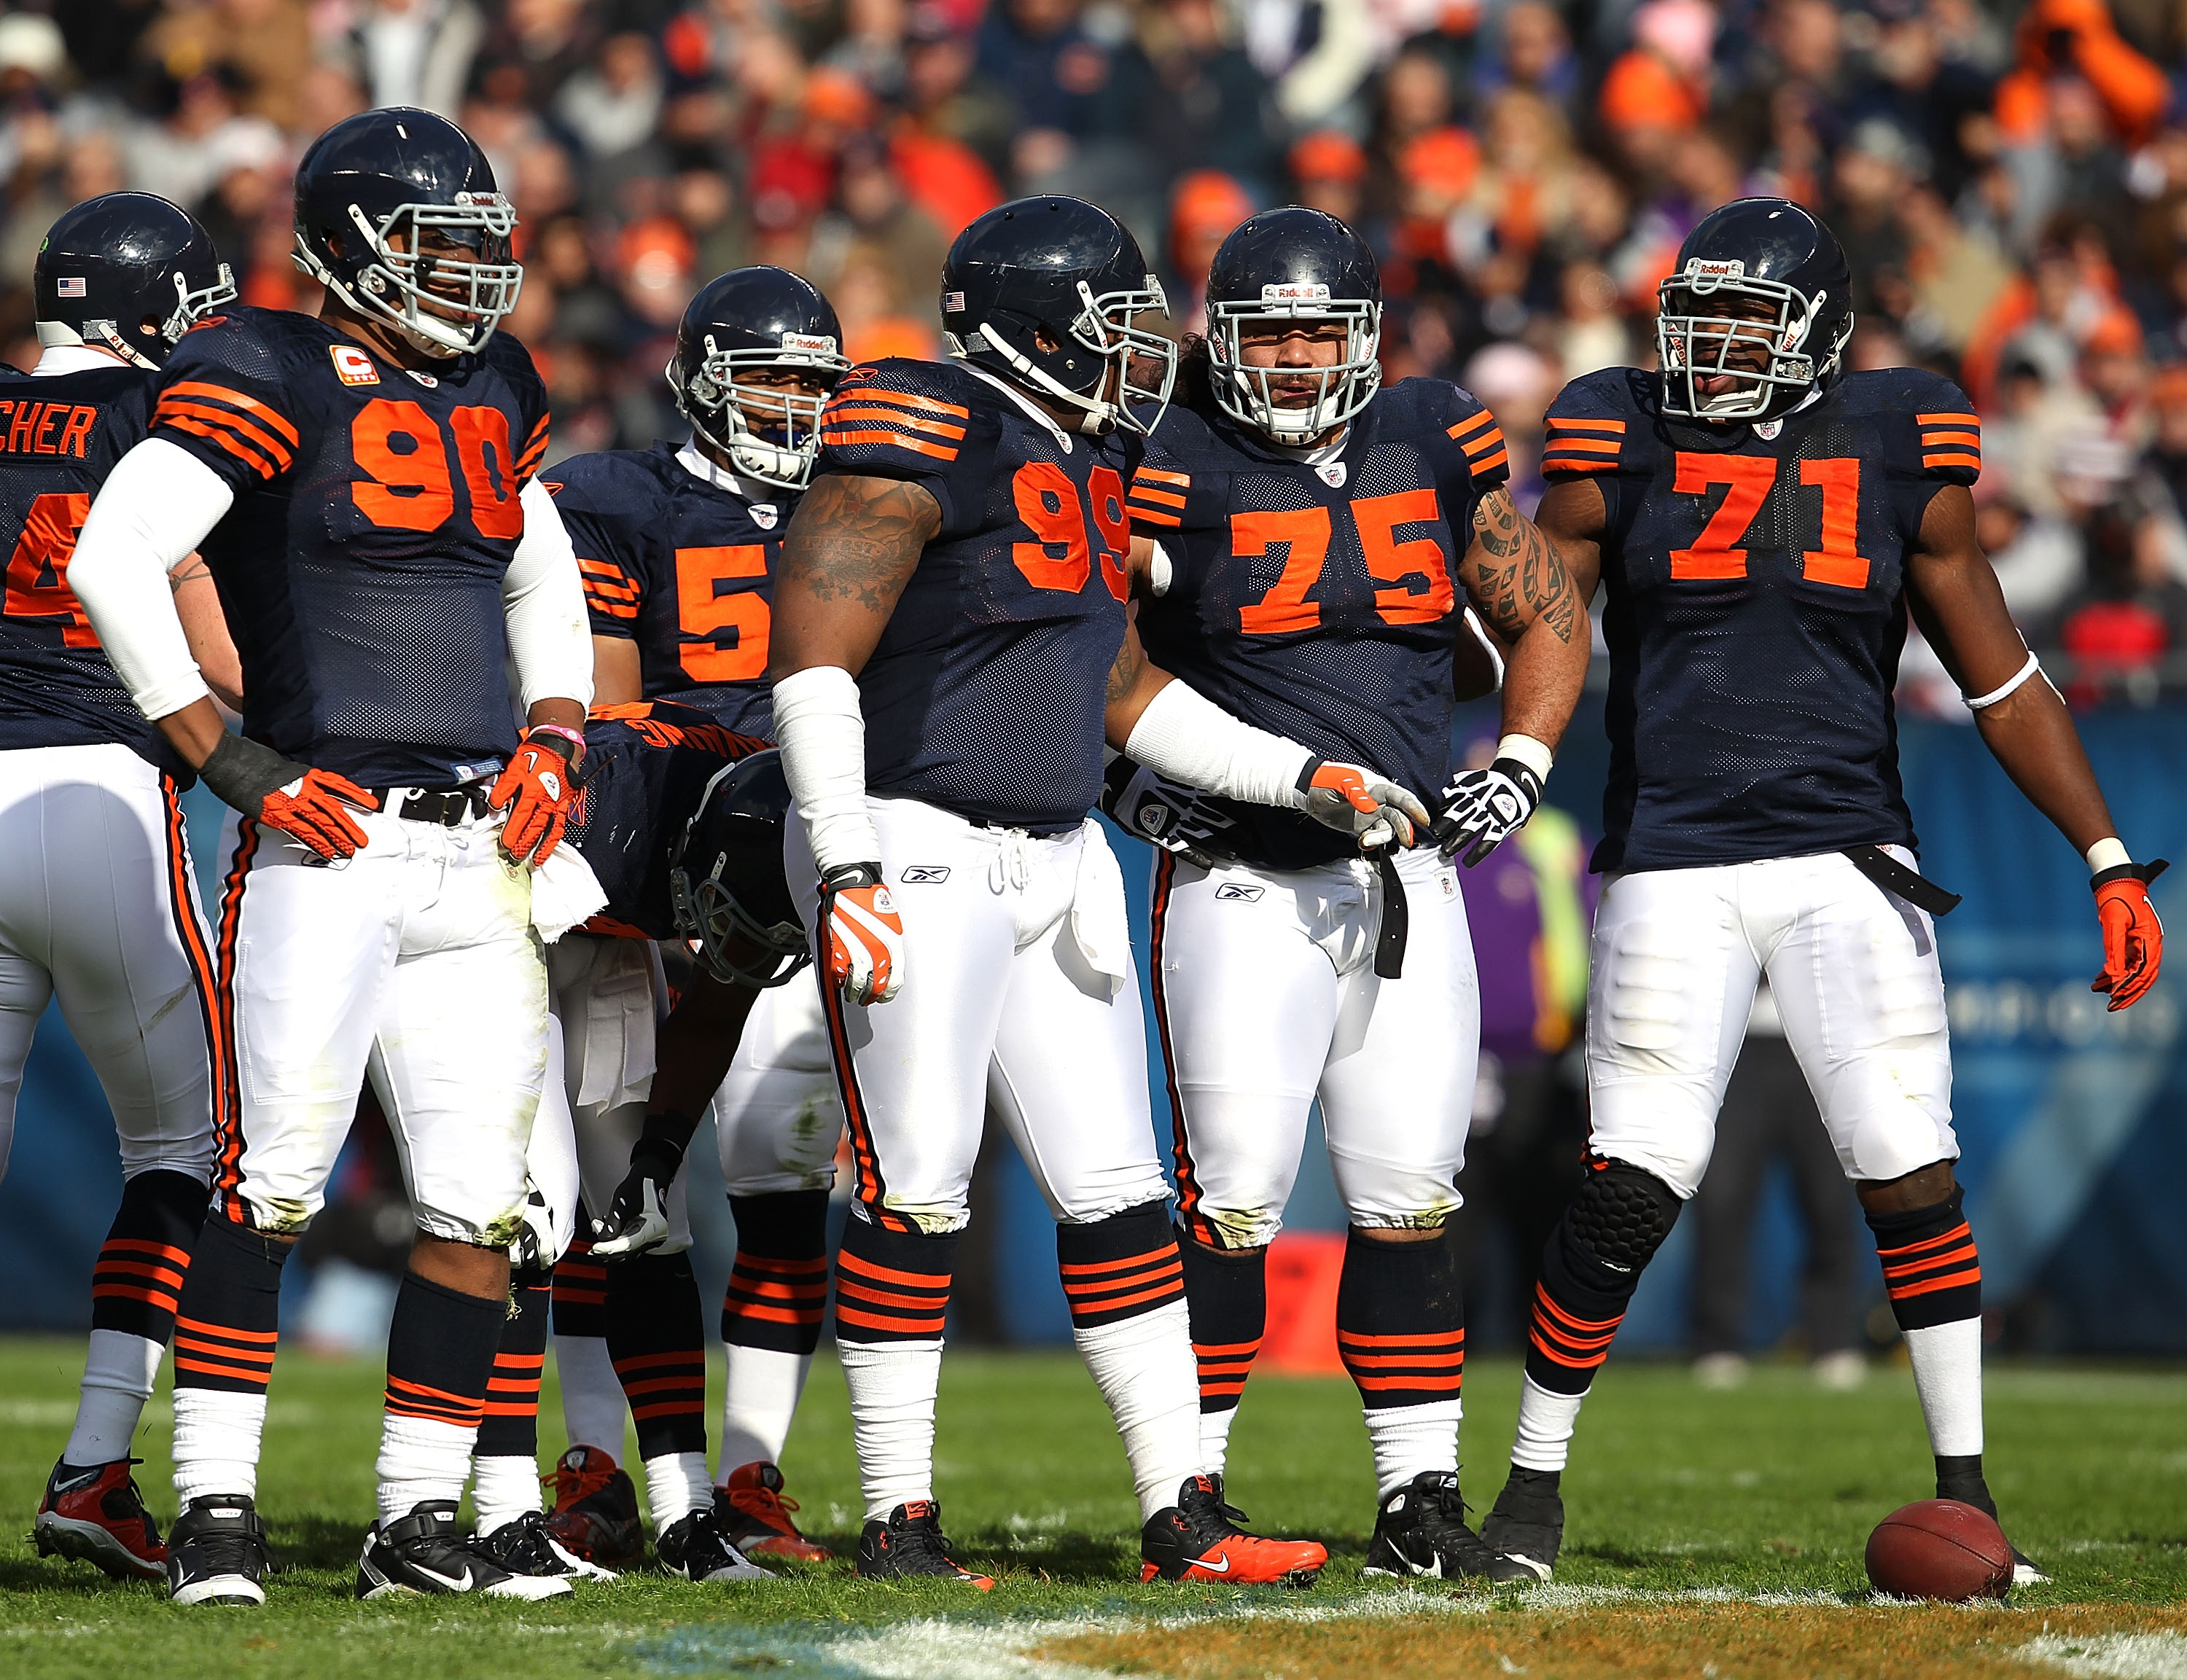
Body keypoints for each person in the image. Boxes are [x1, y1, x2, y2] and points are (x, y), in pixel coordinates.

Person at [1475, 198, 2167, 1587]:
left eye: (1748, 320)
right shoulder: (1620, 430)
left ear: (1821, 334)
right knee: (1629, 1185)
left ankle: (1970, 1499)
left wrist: (2104, 854)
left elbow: (2004, 675)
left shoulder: (1903, 436)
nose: (1716, 346)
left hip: (1849, 855)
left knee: (1911, 1173)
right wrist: (1511, 733)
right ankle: (1529, 1498)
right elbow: (1544, 613)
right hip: (1674, 853)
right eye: (1702, 315)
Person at [768, 193, 1422, 1587]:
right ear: (1033, 326)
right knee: (917, 1182)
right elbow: (815, 657)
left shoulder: (1085, 456)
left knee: (1120, 1190)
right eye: (1116, 323)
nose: (1141, 351)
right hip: (911, 837)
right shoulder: (924, 425)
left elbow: (1122, 687)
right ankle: (897, 1519)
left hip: (1057, 857)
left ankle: (1182, 1511)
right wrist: (844, 857)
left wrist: (1300, 773)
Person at [67, 107, 595, 1606]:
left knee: (479, 1203)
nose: (479, 277)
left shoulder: (497, 380)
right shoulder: (265, 367)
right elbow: (114, 559)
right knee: (273, 1180)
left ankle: (414, 1522)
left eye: (488, 245)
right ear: (353, 245)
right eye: (446, 246)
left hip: (478, 840)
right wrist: (228, 760)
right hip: (332, 833)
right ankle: (217, 1506)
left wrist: (558, 728)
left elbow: (541, 574)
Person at [1103, 206, 1588, 1582]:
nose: (1302, 356)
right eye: (1275, 331)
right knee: (1239, 1201)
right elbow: (1083, 639)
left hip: (1411, 877)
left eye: (1325, 328)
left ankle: (1418, 1506)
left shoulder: (1432, 435)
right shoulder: (1163, 449)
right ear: (1222, 339)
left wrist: (1529, 760)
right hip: (1243, 877)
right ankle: (1187, 1493)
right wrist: (1129, 787)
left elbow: (1546, 608)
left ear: (1369, 335)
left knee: (1407, 1197)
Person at [539, 267, 849, 1569]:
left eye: (809, 380)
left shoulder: (866, 509)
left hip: (804, 848)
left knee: (779, 1169)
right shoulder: (623, 499)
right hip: (653, 832)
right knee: (603, 1183)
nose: (790, 402)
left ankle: (751, 1474)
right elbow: (610, 714)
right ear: (701, 379)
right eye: (766, 375)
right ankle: (600, 1459)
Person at [8, 192, 237, 1583]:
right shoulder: (153, 437)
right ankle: (98, 1466)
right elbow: (217, 657)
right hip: (95, 791)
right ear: (142, 315)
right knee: (193, 1152)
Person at [464, 701, 816, 1588]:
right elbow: (484, 917)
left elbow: (722, 998)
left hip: (609, 939)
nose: (729, 943)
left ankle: (688, 1515)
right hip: (505, 927)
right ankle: (504, 1512)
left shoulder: (783, 818)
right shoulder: (600, 804)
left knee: (650, 1224)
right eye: (725, 919)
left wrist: (660, 1151)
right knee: (524, 1218)